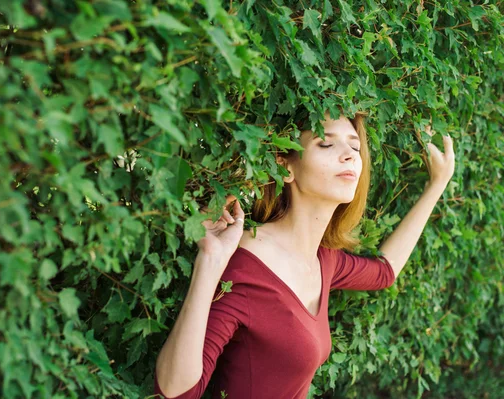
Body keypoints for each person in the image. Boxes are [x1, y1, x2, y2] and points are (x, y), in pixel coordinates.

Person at [152, 110, 455, 398]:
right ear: (285, 167)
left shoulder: (324, 260)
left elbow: (384, 272)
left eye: (354, 146)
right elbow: (178, 391)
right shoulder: (246, 265)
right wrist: (210, 261)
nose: (350, 154)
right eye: (326, 143)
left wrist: (437, 183)